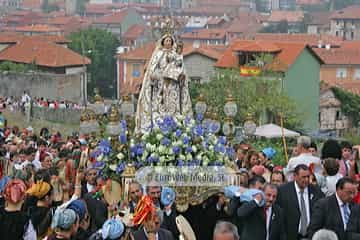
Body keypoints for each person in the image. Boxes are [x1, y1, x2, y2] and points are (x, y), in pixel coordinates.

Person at [135, 24, 192, 133]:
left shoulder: (176, 55)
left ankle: (175, 123)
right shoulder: (158, 55)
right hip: (160, 85)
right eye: (166, 41)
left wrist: (181, 76)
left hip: (173, 85)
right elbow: (152, 69)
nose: (168, 42)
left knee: (172, 106)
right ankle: (158, 125)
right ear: (162, 42)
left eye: (170, 41)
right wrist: (154, 76)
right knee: (160, 104)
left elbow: (181, 68)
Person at [276, 164, 324, 240]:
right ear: (295, 176)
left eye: (308, 177)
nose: (306, 180)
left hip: (311, 236)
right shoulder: (283, 191)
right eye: (303, 177)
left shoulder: (316, 191)